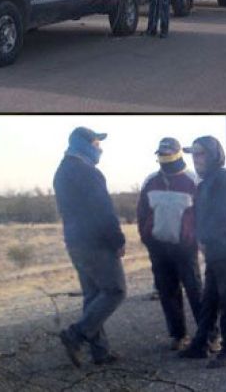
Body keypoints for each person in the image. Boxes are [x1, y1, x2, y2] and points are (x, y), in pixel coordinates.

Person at [53, 127, 126, 368]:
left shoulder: (62, 171)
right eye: (96, 143)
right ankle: (76, 334)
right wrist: (117, 241)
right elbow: (103, 211)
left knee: (94, 294)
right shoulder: (89, 173)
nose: (100, 148)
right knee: (115, 291)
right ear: (83, 144)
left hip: (75, 242)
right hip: (96, 244)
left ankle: (100, 352)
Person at [178, 136, 226, 368]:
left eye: (201, 153)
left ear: (213, 154)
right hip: (216, 250)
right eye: (194, 154)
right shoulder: (207, 181)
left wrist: (205, 239)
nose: (196, 159)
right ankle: (200, 345)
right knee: (209, 300)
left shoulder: (223, 179)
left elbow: (224, 214)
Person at [137, 138, 212, 352]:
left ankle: (208, 335)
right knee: (167, 292)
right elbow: (142, 212)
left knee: (195, 291)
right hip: (158, 248)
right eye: (162, 153)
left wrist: (199, 240)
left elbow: (203, 214)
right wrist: (146, 237)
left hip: (185, 248)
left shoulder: (193, 181)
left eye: (169, 153)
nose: (165, 157)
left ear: (179, 154)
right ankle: (178, 335)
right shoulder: (150, 181)